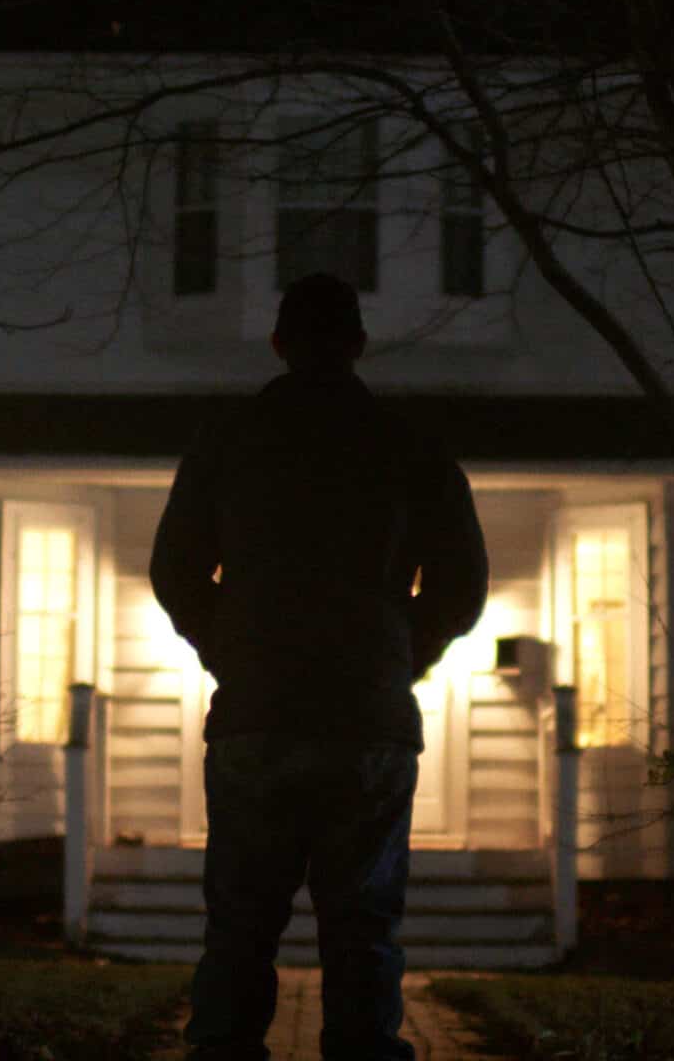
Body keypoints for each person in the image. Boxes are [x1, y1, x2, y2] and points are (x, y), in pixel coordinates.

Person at [151, 272, 489, 1061]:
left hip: (257, 717)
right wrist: (398, 655)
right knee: (362, 927)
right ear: (358, 344)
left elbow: (175, 571)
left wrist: (231, 650)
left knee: (240, 928)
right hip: (367, 721)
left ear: (279, 344)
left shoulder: (228, 441)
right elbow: (461, 586)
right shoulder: (410, 445)